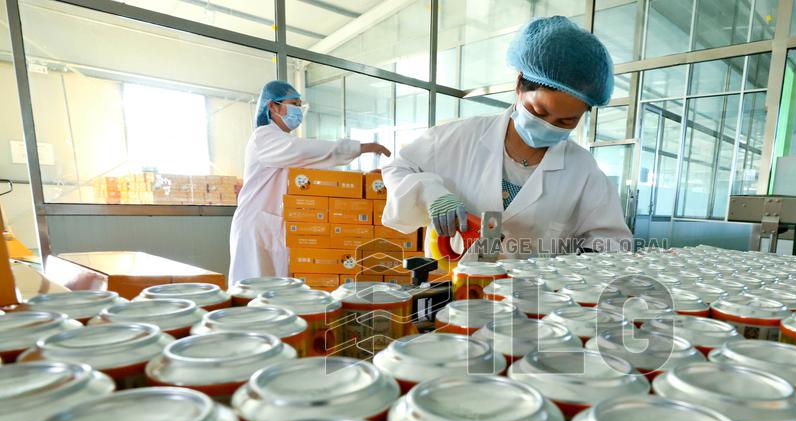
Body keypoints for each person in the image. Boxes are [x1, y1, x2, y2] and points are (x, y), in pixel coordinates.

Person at [382, 16, 632, 256]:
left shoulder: (583, 169)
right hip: (454, 278)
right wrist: (429, 193)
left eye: (566, 121)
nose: (548, 125)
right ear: (519, 84)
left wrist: (583, 261)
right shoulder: (461, 137)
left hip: (535, 285)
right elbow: (399, 167)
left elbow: (611, 240)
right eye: (539, 111)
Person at [228, 80, 391, 285]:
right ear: (273, 106)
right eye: (293, 104)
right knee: (254, 290)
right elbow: (306, 151)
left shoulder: (281, 141)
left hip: (272, 225)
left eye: (300, 105)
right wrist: (361, 147)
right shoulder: (264, 138)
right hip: (256, 228)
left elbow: (315, 174)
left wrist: (365, 181)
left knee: (276, 289)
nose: (298, 111)